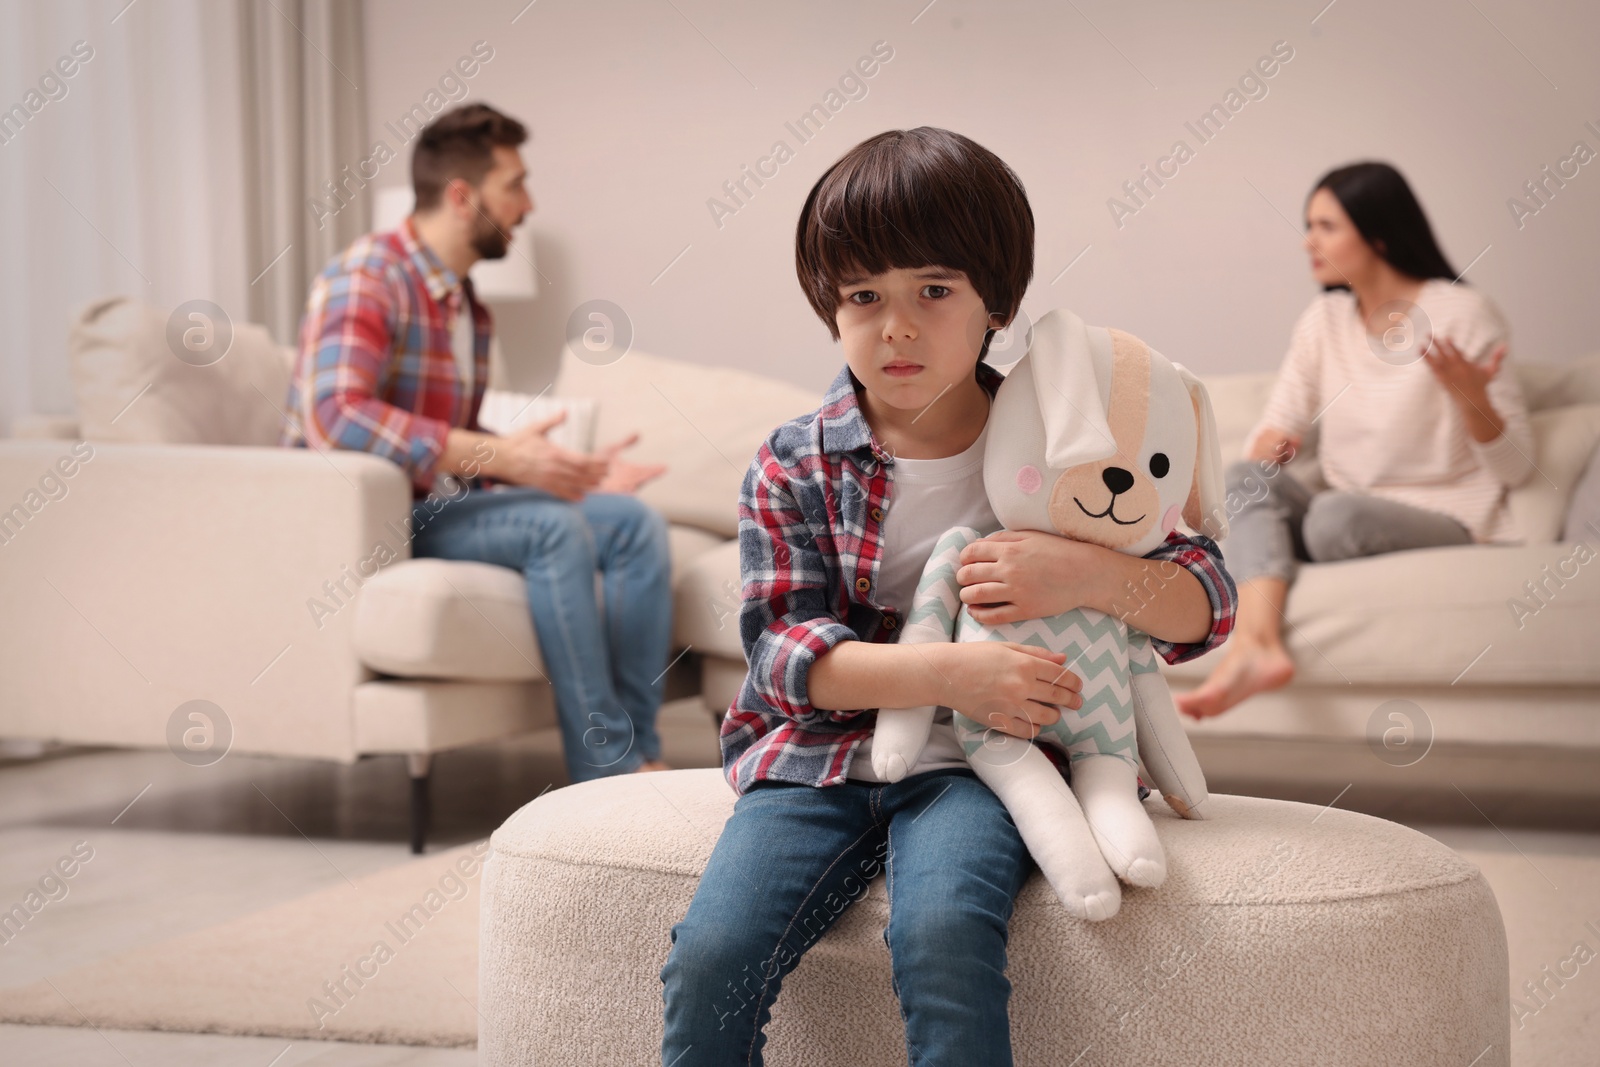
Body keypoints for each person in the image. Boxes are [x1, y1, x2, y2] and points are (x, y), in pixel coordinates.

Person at [658, 127, 1238, 1065]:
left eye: (934, 291)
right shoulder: (794, 460)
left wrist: (1086, 574)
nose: (897, 326)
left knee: (942, 939)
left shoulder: (1064, 441)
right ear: (829, 307)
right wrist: (956, 671)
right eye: (863, 296)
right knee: (714, 953)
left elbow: (1206, 603)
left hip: (986, 766)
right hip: (818, 760)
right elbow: (784, 658)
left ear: (995, 304)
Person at [282, 103, 673, 779]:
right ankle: (605, 771)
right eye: (514, 185)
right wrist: (500, 457)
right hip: (370, 520)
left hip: (435, 505)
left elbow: (455, 443)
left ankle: (641, 755)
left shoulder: (466, 304)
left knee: (632, 524)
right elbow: (334, 414)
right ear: (462, 197)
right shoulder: (369, 275)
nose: (528, 204)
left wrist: (561, 471)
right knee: (555, 530)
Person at [1175, 161, 1535, 719]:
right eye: (1308, 225)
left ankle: (1264, 610)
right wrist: (1276, 446)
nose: (1307, 242)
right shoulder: (1324, 320)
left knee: (1331, 518)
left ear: (1379, 233)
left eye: (1326, 226)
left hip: (1445, 518)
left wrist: (1473, 398)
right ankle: (1255, 646)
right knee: (1246, 480)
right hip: (1337, 512)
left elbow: (1517, 469)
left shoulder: (1462, 313)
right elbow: (1278, 424)